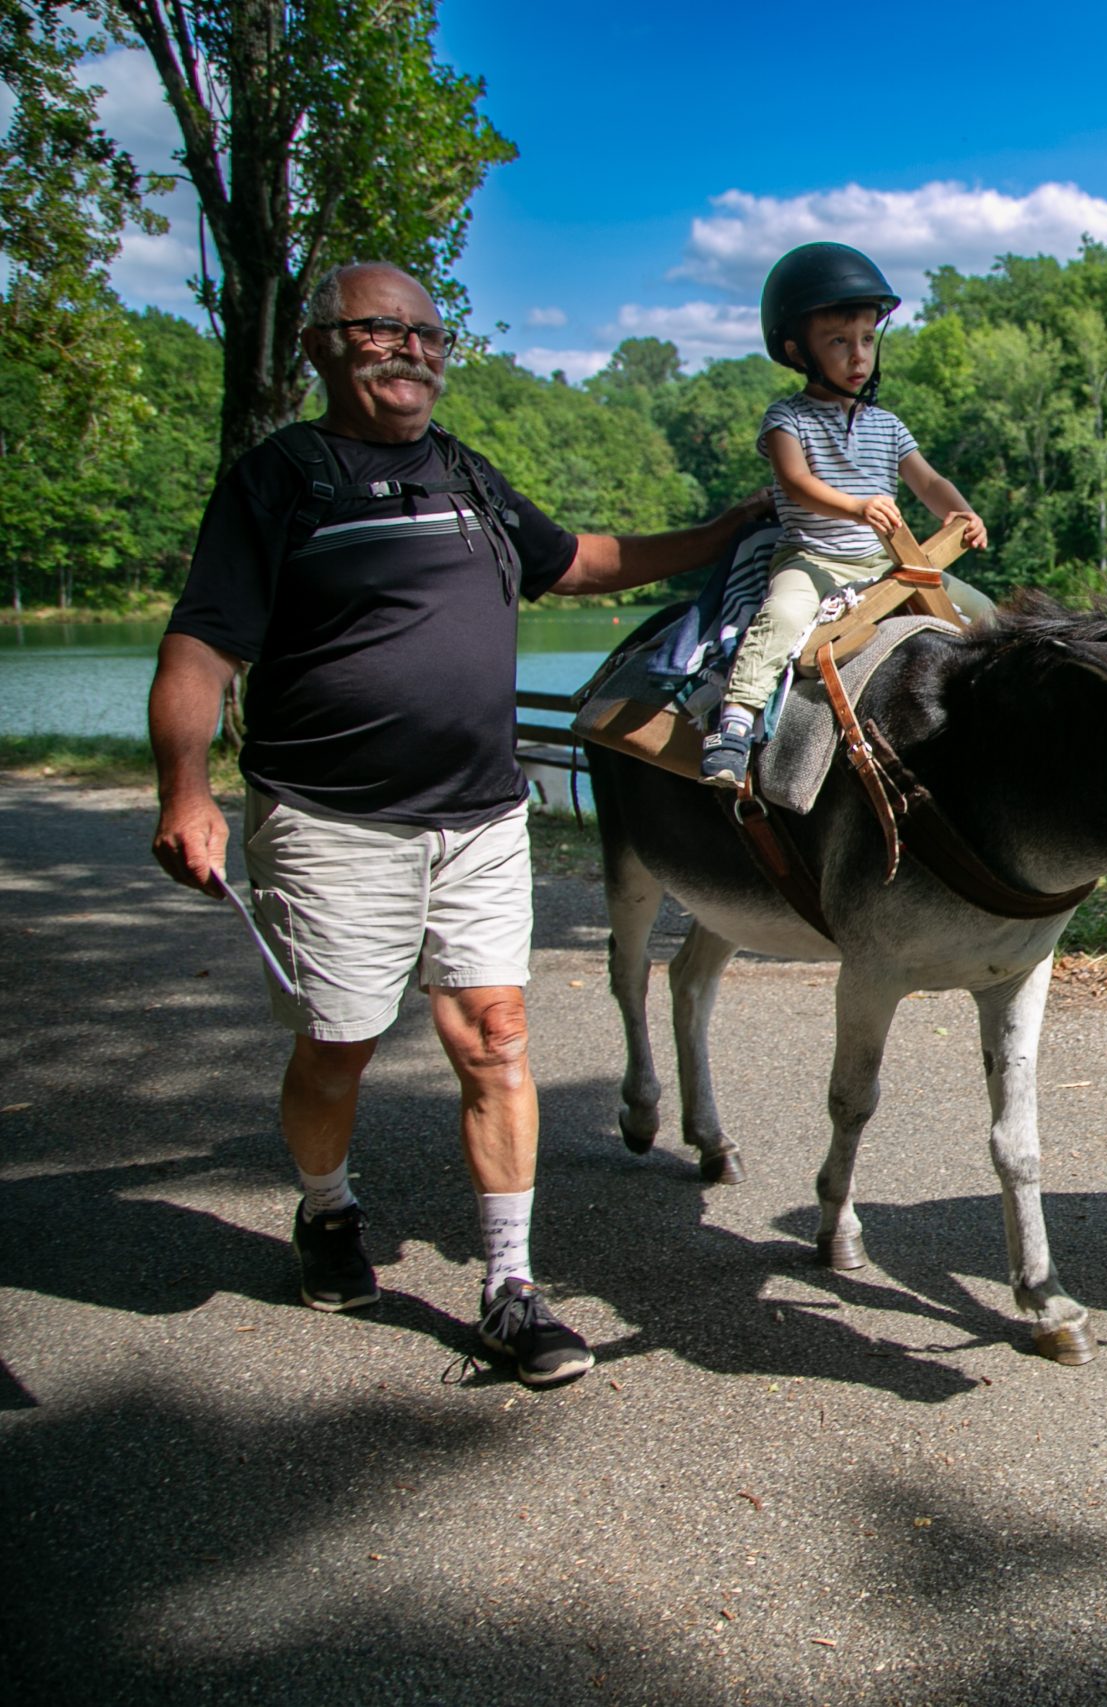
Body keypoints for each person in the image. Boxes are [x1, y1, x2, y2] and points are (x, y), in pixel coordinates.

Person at [148, 261, 772, 1387]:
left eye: (429, 336)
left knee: (495, 1036)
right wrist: (185, 791)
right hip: (333, 821)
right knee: (338, 1044)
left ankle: (510, 1288)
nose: (413, 352)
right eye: (382, 331)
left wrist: (723, 530)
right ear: (322, 346)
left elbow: (577, 561)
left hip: (481, 819)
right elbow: (201, 645)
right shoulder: (281, 479)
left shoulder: (465, 474)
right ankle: (327, 1208)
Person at [700, 242, 992, 787]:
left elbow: (927, 481)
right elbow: (795, 481)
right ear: (797, 351)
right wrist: (857, 506)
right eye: (838, 342)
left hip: (886, 564)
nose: (859, 357)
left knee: (988, 616)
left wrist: (963, 513)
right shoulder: (788, 418)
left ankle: (995, 718)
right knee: (782, 616)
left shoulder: (887, 425)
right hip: (814, 557)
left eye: (866, 340)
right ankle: (735, 724)